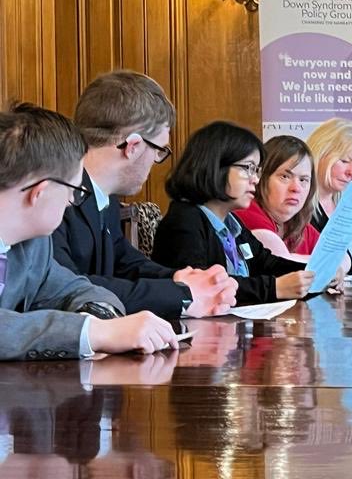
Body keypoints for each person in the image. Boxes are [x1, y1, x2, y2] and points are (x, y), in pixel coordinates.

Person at [0, 103, 180, 360]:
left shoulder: (34, 246)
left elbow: (78, 290)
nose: (72, 200)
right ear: (39, 193)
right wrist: (91, 332)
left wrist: (103, 318)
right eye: (72, 189)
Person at [52, 70, 236, 319]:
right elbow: (66, 287)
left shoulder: (106, 197)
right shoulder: (53, 194)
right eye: (159, 151)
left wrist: (180, 277)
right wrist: (181, 294)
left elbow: (124, 261)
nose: (156, 161)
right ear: (133, 146)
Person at [151, 121, 315, 304]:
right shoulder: (184, 222)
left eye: (257, 171)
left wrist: (315, 274)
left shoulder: (230, 222)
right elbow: (204, 288)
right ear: (215, 166)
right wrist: (275, 288)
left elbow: (266, 263)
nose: (255, 179)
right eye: (248, 168)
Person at [235, 135, 321, 260]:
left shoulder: (297, 223)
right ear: (262, 177)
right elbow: (282, 263)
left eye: (303, 180)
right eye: (285, 177)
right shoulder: (247, 211)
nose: (296, 188)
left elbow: (341, 256)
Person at [307, 118, 352, 269]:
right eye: (344, 161)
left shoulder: (351, 205)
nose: (351, 173)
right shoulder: (298, 208)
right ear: (320, 153)